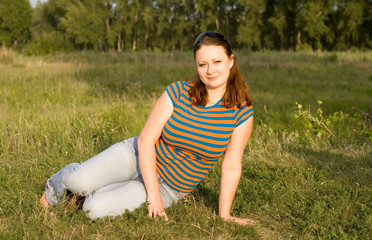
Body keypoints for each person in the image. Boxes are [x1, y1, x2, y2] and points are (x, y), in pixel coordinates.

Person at [40, 31, 255, 225]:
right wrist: (152, 196)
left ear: (230, 61)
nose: (210, 70)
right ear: (196, 66)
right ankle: (57, 184)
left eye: (217, 61)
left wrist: (225, 215)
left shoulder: (241, 112)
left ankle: (81, 195)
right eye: (202, 64)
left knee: (92, 209)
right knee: (79, 180)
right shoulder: (178, 92)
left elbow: (232, 166)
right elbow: (145, 141)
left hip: (170, 187)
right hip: (137, 156)